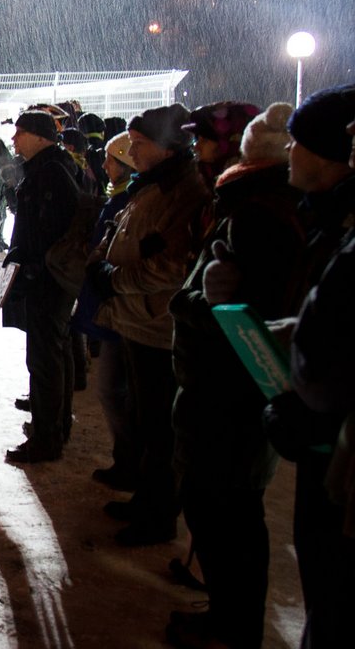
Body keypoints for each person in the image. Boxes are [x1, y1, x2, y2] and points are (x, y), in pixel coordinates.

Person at [164, 101, 303, 649]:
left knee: (228, 510)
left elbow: (249, 313)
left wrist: (192, 303)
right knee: (218, 505)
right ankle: (226, 614)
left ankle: (231, 626)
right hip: (222, 385)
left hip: (232, 390)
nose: (195, 148)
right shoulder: (247, 202)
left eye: (204, 140)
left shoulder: (259, 213)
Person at [256, 84, 355, 648]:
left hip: (335, 437)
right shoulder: (324, 216)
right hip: (323, 434)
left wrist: (303, 357)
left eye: (297, 143)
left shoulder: (340, 226)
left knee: (336, 591)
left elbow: (333, 346)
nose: (286, 153)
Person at [87, 103, 210, 545]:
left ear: (168, 146)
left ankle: (159, 516)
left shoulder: (184, 190)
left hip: (158, 323)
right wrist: (103, 262)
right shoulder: (155, 183)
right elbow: (121, 231)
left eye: (140, 145)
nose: (132, 152)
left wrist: (115, 279)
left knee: (160, 429)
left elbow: (172, 265)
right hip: (137, 318)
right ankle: (146, 499)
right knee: (143, 419)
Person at [0, 108, 82, 463]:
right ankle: (54, 425)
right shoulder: (49, 168)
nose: (15, 140)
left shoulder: (52, 173)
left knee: (45, 358)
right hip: (47, 277)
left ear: (39, 136)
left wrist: (35, 266)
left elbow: (57, 230)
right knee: (53, 353)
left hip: (48, 280)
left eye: (19, 133)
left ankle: (48, 437)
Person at [75, 133, 140, 492]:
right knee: (115, 391)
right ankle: (127, 460)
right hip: (116, 304)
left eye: (111, 161)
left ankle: (132, 462)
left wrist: (104, 273)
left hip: (123, 306)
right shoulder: (121, 199)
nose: (104, 166)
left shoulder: (129, 201)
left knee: (117, 392)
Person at [182, 101, 260, 188]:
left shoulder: (250, 189)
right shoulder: (201, 179)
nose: (196, 147)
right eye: (197, 139)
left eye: (205, 140)